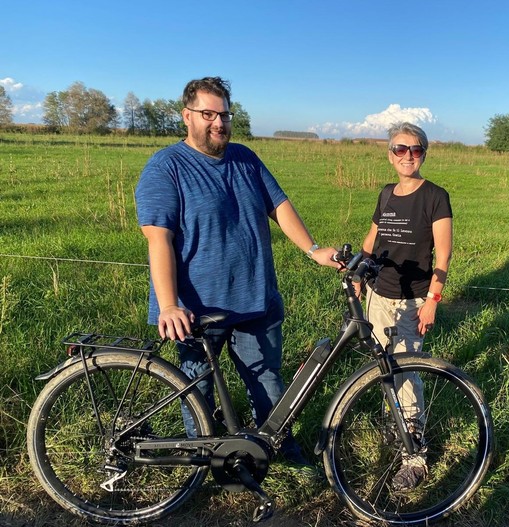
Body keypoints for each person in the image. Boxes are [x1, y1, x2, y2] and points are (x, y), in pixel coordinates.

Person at [135, 76, 339, 466]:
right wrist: (168, 305)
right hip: (196, 308)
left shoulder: (245, 158)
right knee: (198, 389)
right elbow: (157, 239)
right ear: (186, 116)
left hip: (254, 298)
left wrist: (313, 249)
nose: (218, 122)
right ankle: (202, 461)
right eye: (207, 114)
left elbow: (278, 205)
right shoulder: (166, 167)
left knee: (267, 379)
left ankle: (278, 449)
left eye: (225, 114)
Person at [359, 122, 453, 490]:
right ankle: (394, 426)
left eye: (415, 150)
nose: (408, 156)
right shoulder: (386, 194)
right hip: (378, 295)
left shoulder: (435, 196)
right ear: (390, 154)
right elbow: (372, 237)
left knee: (406, 375)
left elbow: (443, 253)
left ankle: (414, 455)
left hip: (413, 299)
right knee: (384, 368)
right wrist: (357, 271)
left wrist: (433, 299)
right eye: (401, 149)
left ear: (423, 154)